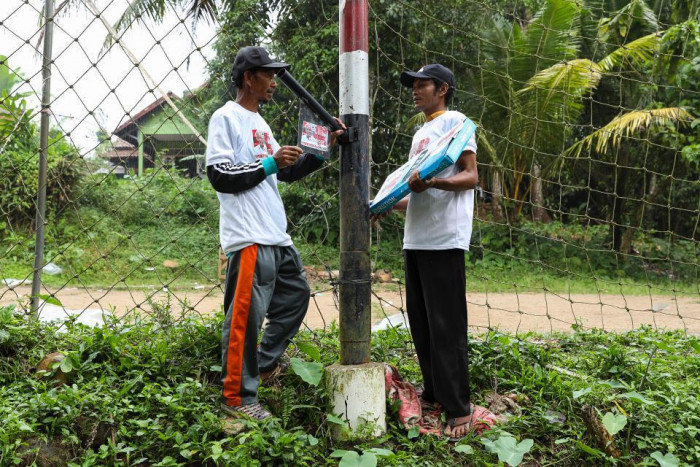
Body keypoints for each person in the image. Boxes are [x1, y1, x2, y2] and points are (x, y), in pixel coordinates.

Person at [206, 46, 345, 421]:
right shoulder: (226, 118)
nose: (273, 82)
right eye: (267, 75)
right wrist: (269, 161)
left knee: (296, 296)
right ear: (248, 78)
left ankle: (261, 365)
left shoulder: (261, 124)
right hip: (249, 235)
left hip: (275, 234)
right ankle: (236, 398)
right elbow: (219, 176)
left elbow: (283, 174)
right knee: (245, 317)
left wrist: (317, 153)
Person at [373, 64, 478, 439]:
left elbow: (470, 176)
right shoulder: (420, 133)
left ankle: (459, 407)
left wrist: (433, 181)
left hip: (443, 238)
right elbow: (416, 194)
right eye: (413, 86)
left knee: (447, 325)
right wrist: (386, 202)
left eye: (422, 85)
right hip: (415, 239)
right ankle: (435, 392)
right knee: (421, 322)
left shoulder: (457, 122)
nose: (415, 91)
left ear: (443, 88)